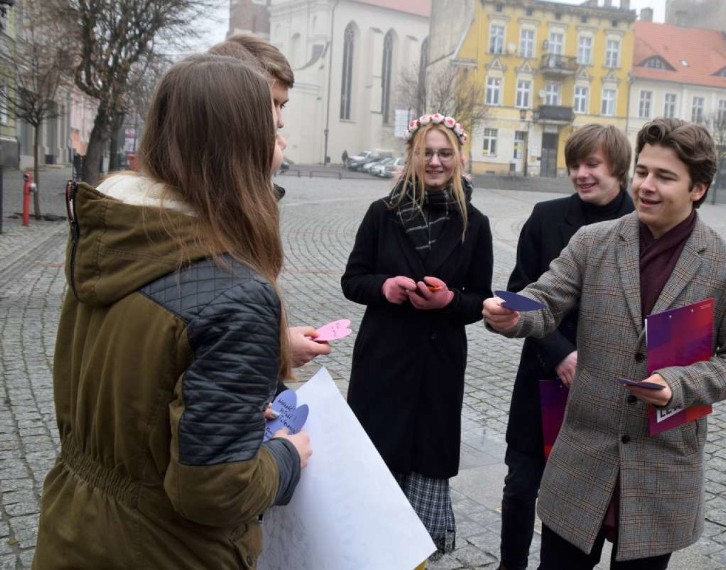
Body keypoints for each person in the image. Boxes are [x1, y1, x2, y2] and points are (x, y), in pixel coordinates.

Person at [33, 55, 311, 568]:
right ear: (242, 145)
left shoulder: (111, 240)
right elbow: (215, 492)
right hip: (164, 549)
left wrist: (229, 413)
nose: (281, 145)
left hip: (74, 530)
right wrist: (288, 457)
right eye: (271, 130)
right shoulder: (236, 292)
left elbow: (139, 389)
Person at [483, 117, 726, 569]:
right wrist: (514, 312)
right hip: (583, 457)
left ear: (698, 188)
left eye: (665, 177)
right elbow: (547, 299)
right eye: (643, 172)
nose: (646, 186)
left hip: (662, 465)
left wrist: (679, 385)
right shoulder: (593, 242)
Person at [341, 113, 493, 559]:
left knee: (424, 464)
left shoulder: (475, 224)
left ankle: (415, 557)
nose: (435, 161)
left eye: (444, 153)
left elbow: (480, 299)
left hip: (437, 367)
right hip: (383, 363)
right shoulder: (382, 213)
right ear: (411, 156)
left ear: (458, 158)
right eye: (426, 152)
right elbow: (353, 280)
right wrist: (385, 287)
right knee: (376, 463)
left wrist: (449, 302)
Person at [498, 124, 635, 570]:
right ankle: (511, 564)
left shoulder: (642, 221)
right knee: (521, 485)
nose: (580, 174)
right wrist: (559, 352)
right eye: (574, 164)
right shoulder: (545, 217)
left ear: (617, 166)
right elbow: (520, 293)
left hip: (607, 392)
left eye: (591, 164)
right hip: (541, 375)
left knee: (588, 495)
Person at [209, 33, 331, 371]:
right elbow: (204, 353)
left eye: (283, 105)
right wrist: (273, 351)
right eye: (272, 103)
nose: (280, 120)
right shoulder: (206, 213)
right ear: (235, 104)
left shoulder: (233, 200)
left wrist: (274, 343)